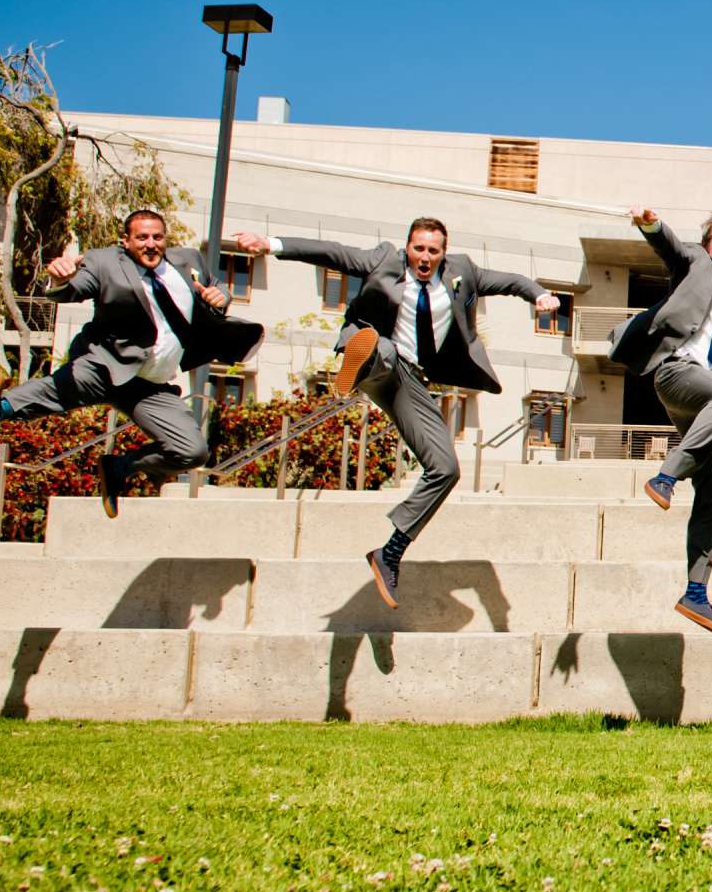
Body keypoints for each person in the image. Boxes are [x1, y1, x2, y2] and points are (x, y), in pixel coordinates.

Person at [225, 219, 557, 608]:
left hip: (412, 381)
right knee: (380, 349)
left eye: (433, 251)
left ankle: (390, 552)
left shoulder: (463, 272)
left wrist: (539, 295)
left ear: (443, 254)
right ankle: (361, 359)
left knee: (446, 468)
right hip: (382, 357)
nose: (425, 258)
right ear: (408, 248)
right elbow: (330, 252)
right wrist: (271, 243)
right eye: (418, 249)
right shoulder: (383, 260)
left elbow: (512, 281)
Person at [0, 210, 263, 515]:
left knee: (193, 451)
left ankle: (120, 468)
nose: (150, 244)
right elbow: (75, 288)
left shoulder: (189, 261)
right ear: (126, 241)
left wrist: (221, 296)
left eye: (157, 237)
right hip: (107, 365)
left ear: (165, 238)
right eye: (142, 237)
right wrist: (60, 278)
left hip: (151, 385)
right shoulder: (104, 261)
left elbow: (217, 286)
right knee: (59, 389)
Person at [607, 208, 712, 638]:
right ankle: (666, 476)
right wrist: (650, 223)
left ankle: (696, 592)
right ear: (708, 247)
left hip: (705, 402)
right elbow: (668, 247)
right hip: (676, 371)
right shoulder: (695, 266)